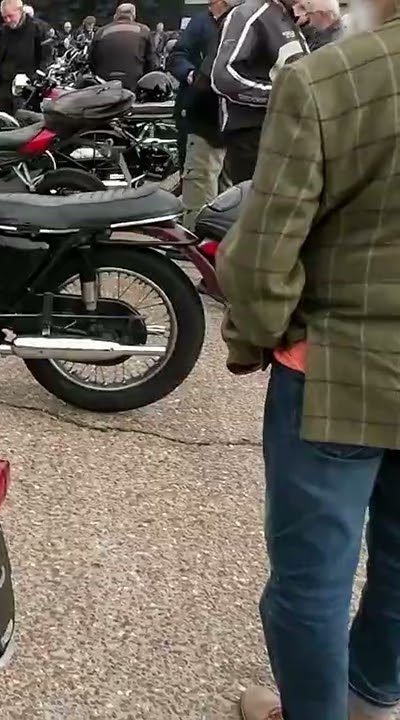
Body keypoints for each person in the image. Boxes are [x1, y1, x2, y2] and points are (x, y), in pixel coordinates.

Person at [216, 0, 400, 715]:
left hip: (334, 370)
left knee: (312, 581)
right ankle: (375, 698)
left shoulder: (332, 79)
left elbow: (262, 256)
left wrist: (260, 334)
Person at [209, 0, 307, 184]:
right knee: (256, 206)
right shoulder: (248, 14)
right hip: (252, 134)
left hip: (285, 131)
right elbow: (223, 77)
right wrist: (278, 95)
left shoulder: (287, 16)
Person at [166, 0, 228, 226]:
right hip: (197, 112)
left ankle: (215, 232)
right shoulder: (200, 23)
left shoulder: (241, 22)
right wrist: (191, 75)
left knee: (224, 185)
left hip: (228, 119)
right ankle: (196, 237)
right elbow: (176, 56)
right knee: (196, 179)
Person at [0, 0, 51, 114]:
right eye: (4, 17)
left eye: (10, 16)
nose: (8, 20)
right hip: (4, 89)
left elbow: (46, 59)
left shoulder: (39, 29)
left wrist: (35, 80)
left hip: (27, 90)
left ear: (20, 11)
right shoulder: (3, 32)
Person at [88, 3, 156, 90]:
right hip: (134, 83)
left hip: (104, 84)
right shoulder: (144, 31)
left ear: (116, 15)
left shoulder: (101, 32)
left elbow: (92, 62)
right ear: (133, 15)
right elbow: (151, 63)